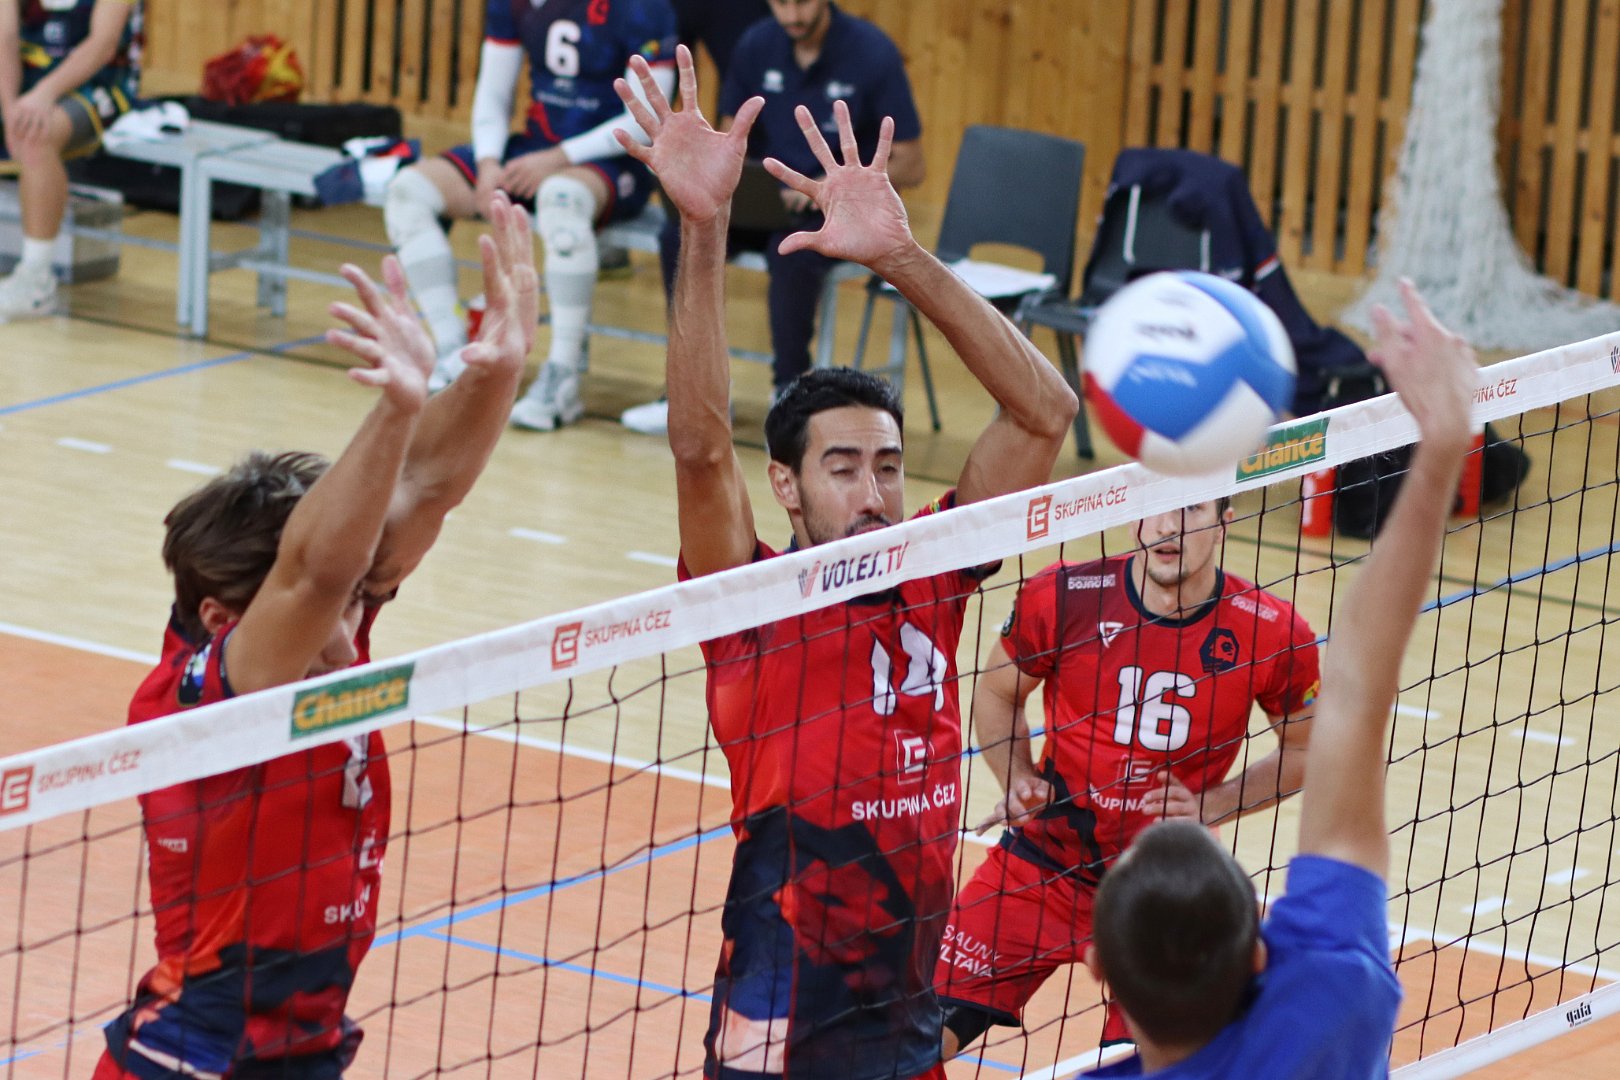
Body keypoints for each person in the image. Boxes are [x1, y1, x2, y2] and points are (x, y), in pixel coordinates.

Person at [612, 44, 1076, 1079]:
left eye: (889, 467)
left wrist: (901, 257)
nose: (874, 492)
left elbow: (1044, 412)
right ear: (786, 486)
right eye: (843, 468)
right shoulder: (750, 600)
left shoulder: (934, 572)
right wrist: (703, 227)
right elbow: (699, 450)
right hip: (779, 1029)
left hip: (907, 1029)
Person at [93, 194, 537, 1080]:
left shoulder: (332, 627)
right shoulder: (198, 698)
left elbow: (422, 489)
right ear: (222, 619)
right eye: (340, 598)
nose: (357, 616)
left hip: (306, 1045)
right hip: (192, 1058)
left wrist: (495, 374)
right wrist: (395, 407)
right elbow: (314, 577)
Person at [1079, 280, 1474, 1078]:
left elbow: (1348, 695)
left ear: (1099, 971)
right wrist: (1441, 446)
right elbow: (1356, 687)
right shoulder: (1331, 996)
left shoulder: (1332, 991)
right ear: (1261, 953)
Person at [933, 497, 1321, 1060]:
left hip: (1163, 889)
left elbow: (1307, 749)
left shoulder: (1272, 630)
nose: (1166, 525)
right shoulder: (1064, 594)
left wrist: (1215, 804)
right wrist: (1016, 777)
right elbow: (997, 691)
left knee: (1155, 1069)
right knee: (908, 1046)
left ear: (1224, 521)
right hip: (1044, 860)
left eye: (1190, 510)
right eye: (1154, 505)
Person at [620, 0, 924, 434]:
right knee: (682, 235)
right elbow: (731, 137)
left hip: (833, 211)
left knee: (791, 253)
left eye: (802, 3)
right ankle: (694, 389)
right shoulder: (755, 43)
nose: (792, 16)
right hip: (764, 199)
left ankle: (788, 399)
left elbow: (913, 164)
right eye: (781, 4)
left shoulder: (873, 51)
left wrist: (832, 184)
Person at [384, 0, 677, 431]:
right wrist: (488, 161)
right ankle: (453, 350)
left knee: (561, 199)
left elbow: (647, 119)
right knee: (409, 191)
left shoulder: (642, 8)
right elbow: (493, 91)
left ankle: (562, 378)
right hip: (534, 149)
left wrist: (558, 158)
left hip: (617, 160)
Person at [0, 0, 141, 321]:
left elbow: (102, 45)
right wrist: (9, 109)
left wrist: (44, 95)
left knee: (36, 137)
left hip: (99, 82)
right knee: (24, 125)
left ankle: (36, 280)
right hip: (30, 80)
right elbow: (4, 38)